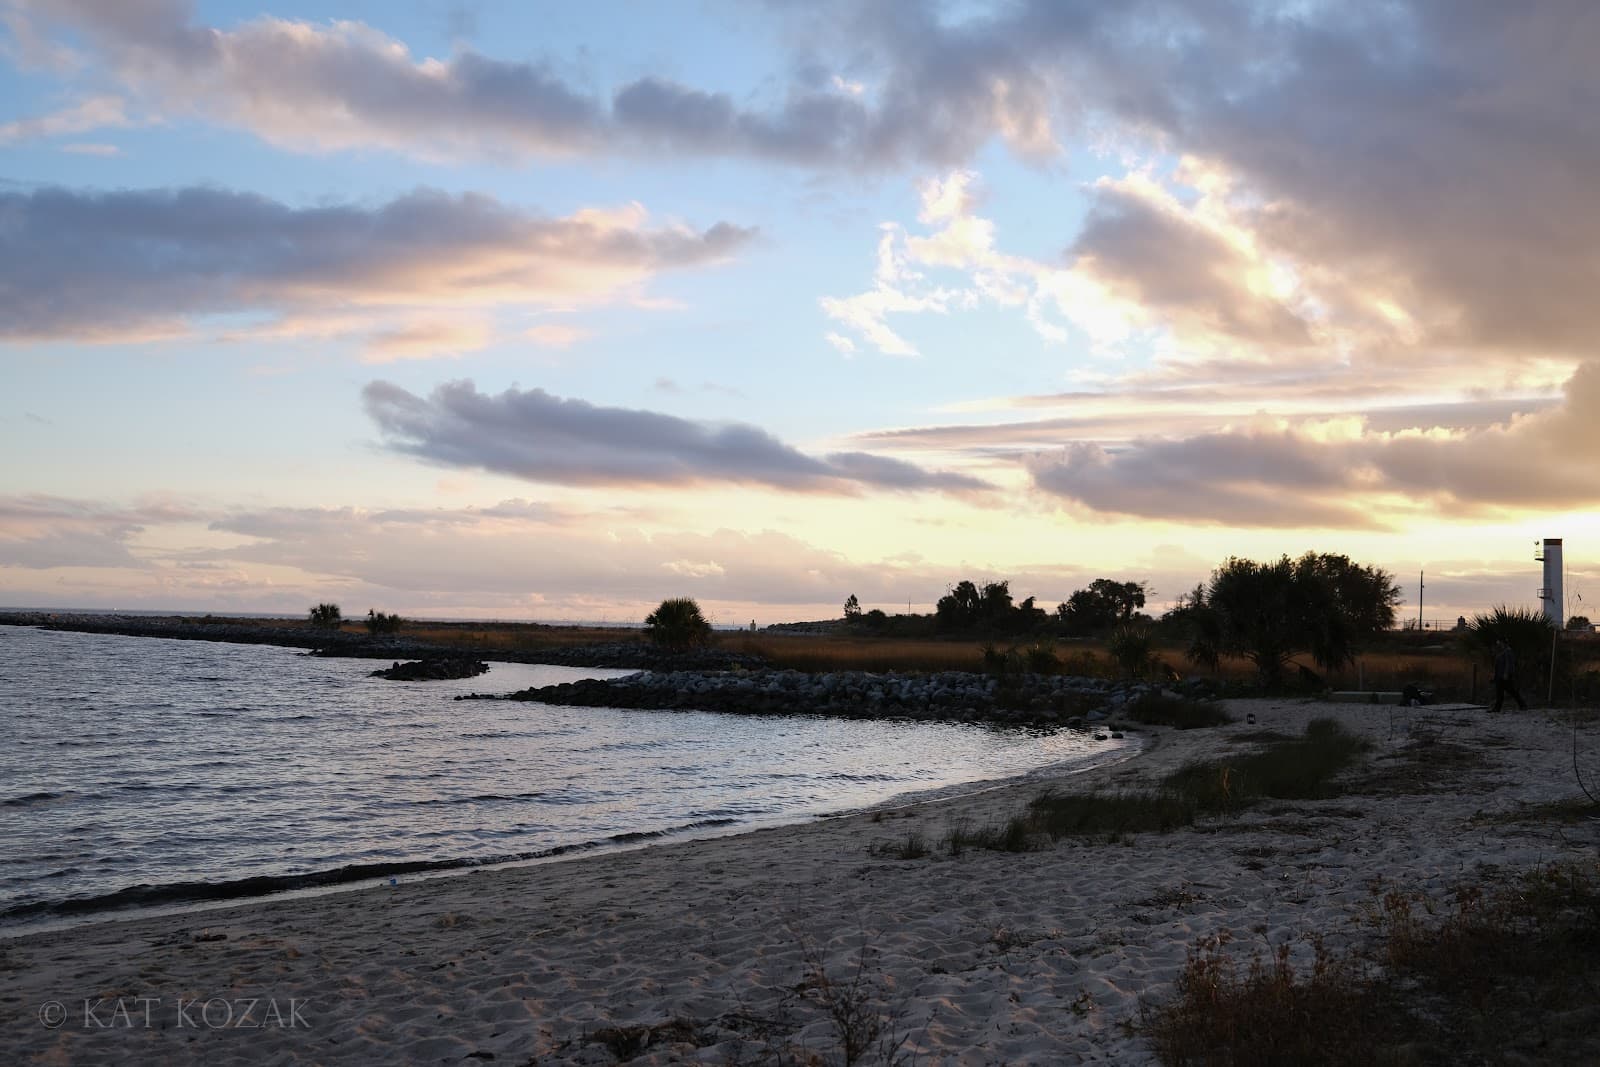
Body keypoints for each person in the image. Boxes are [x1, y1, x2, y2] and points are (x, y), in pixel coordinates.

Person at [1490, 638, 1527, 712]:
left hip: (1504, 676)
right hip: (1500, 676)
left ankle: (1522, 705)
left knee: (1509, 691)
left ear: (1504, 643)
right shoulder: (1502, 652)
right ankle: (1497, 708)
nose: (1499, 645)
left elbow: (1509, 664)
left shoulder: (1508, 652)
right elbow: (1498, 665)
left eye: (1500, 643)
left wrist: (1506, 674)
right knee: (1504, 692)